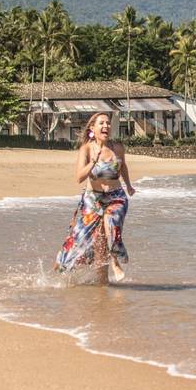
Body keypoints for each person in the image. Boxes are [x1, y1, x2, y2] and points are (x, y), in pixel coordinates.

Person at [54, 112, 136, 283]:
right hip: (93, 198)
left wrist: (128, 185)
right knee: (86, 240)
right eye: (101, 123)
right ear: (92, 128)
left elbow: (123, 166)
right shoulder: (86, 149)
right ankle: (101, 283)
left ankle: (114, 261)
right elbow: (79, 178)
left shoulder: (117, 147)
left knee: (110, 224)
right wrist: (93, 161)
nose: (106, 126)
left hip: (116, 196)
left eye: (108, 123)